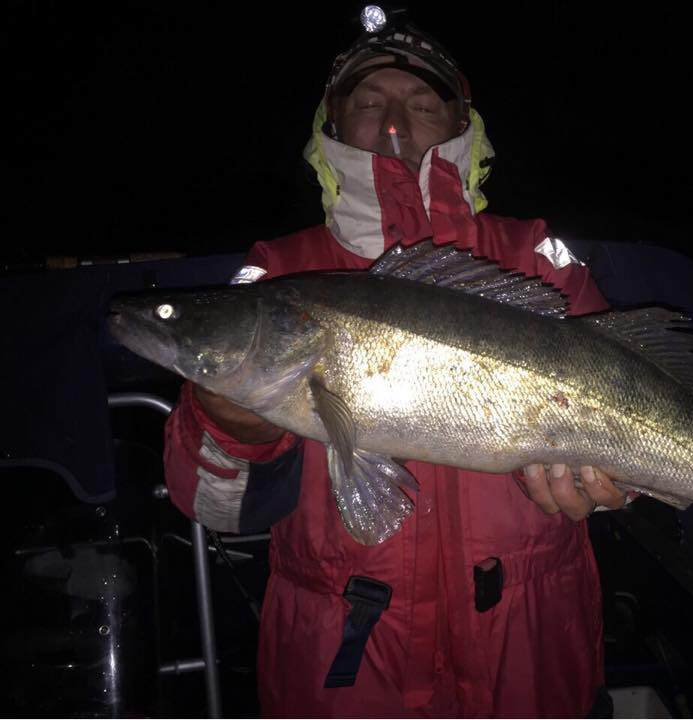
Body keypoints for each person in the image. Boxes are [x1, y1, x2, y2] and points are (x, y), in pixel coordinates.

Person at [163, 11, 627, 717]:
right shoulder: (278, 271)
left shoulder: (536, 258)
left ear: (462, 123)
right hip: (345, 666)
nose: (393, 122)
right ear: (332, 124)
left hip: (528, 654)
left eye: (421, 103)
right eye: (368, 101)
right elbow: (211, 508)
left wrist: (616, 483)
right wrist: (231, 428)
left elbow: (642, 414)